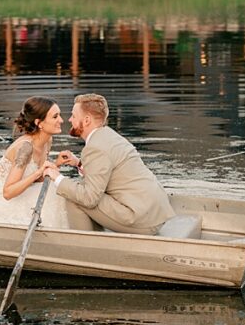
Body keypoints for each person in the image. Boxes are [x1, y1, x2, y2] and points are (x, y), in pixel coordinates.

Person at [43, 93, 175, 235]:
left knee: (73, 196)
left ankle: (88, 246)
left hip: (140, 220)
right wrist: (79, 164)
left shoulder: (95, 147)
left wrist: (56, 177)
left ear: (86, 120)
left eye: (74, 116)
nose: (70, 120)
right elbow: (109, 170)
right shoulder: (109, 135)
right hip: (155, 212)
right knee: (77, 189)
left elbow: (89, 199)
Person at [0, 97, 70, 229]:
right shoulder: (25, 148)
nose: (61, 120)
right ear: (39, 123)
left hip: (20, 189)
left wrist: (56, 164)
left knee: (58, 188)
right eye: (55, 117)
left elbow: (37, 179)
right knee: (53, 192)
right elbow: (8, 192)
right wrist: (40, 171)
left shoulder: (47, 140)